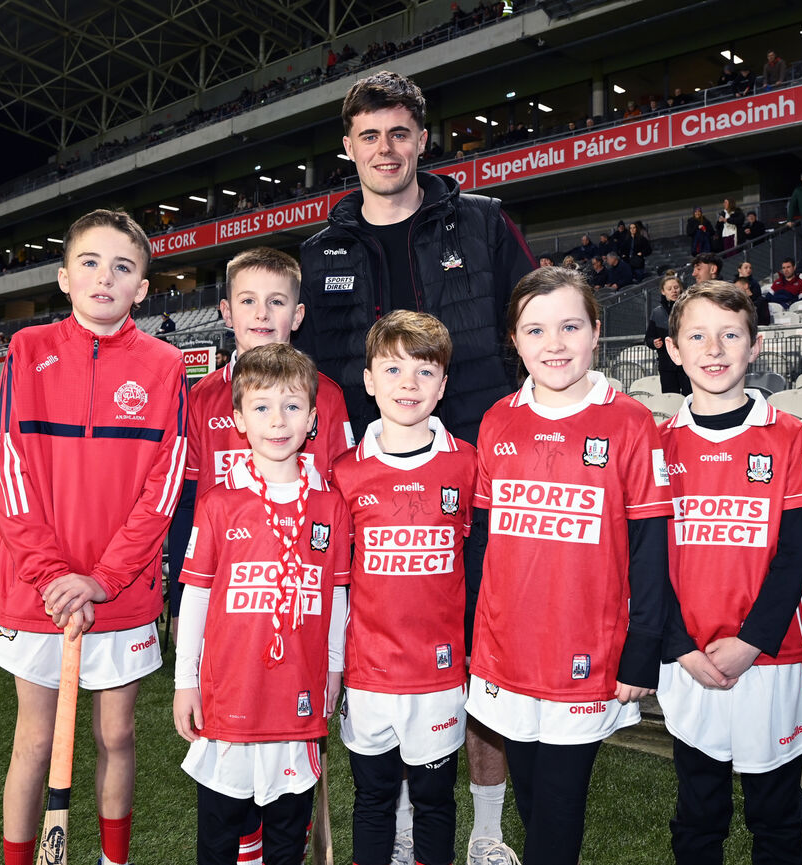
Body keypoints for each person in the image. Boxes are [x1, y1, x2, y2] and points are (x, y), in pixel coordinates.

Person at [298, 69, 533, 865]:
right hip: (365, 487)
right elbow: (304, 375)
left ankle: (489, 831)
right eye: (369, 136)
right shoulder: (319, 250)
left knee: (481, 658)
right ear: (348, 148)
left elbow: (532, 325)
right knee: (378, 659)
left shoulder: (485, 223)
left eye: (399, 132)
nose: (385, 148)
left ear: (423, 139)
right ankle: (394, 834)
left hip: (471, 481)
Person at [0, 209, 188, 865]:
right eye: (91, 262)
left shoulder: (164, 365)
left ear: (143, 288)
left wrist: (102, 578)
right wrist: (52, 578)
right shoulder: (26, 350)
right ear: (64, 277)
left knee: (117, 734)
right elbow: (10, 472)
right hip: (33, 594)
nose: (106, 277)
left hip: (120, 594)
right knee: (34, 742)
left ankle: (113, 859)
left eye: (124, 266)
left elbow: (165, 484)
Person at [467, 267, 672, 865]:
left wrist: (642, 648)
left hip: (587, 654)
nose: (553, 344)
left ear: (596, 332)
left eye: (569, 326)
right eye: (535, 329)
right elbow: (481, 544)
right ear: (515, 340)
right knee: (531, 798)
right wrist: (473, 637)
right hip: (505, 651)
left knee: (558, 809)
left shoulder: (630, 421)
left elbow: (651, 547)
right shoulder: (498, 420)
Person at [165, 249, 353, 798]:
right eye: (248, 300)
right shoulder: (202, 399)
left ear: (298, 314)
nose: (262, 312)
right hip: (229, 614)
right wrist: (181, 605)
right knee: (229, 769)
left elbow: (339, 510)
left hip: (302, 611)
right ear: (226, 310)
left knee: (288, 774)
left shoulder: (328, 399)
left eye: (277, 301)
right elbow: (187, 506)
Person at [659, 280, 802, 865]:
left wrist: (750, 642)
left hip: (771, 656)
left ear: (754, 347)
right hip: (690, 660)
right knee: (698, 815)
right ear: (673, 350)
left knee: (776, 817)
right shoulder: (658, 446)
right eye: (697, 335)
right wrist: (681, 648)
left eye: (730, 335)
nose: (714, 348)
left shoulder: (788, 435)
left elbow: (793, 554)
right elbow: (648, 562)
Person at [174, 343, 351, 865]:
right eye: (262, 407)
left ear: (314, 419)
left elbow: (336, 598)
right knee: (218, 842)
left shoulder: (330, 507)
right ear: (238, 419)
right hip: (230, 699)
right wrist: (187, 680)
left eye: (293, 406)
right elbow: (197, 596)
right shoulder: (218, 504)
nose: (278, 421)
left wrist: (333, 672)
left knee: (285, 844)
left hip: (297, 702)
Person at [331, 311, 475, 865]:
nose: (408, 384)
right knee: (373, 798)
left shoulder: (467, 464)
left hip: (439, 672)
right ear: (369, 381)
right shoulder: (345, 472)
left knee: (435, 801)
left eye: (424, 370)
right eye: (392, 370)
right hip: (368, 673)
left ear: (443, 384)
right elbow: (337, 582)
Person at [646, 274, 692, 395]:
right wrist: (654, 343)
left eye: (676, 287)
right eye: (669, 289)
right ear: (663, 291)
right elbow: (648, 338)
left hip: (687, 362)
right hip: (666, 366)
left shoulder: (689, 309)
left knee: (690, 396)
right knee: (669, 397)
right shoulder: (657, 313)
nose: (674, 291)